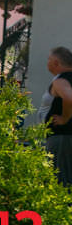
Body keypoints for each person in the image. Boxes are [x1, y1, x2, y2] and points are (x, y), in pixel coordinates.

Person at [41, 46, 72, 185]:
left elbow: (69, 98)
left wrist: (64, 118)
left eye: (49, 59)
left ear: (56, 63)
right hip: (66, 137)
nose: (47, 62)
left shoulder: (60, 80)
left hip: (61, 137)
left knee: (60, 180)